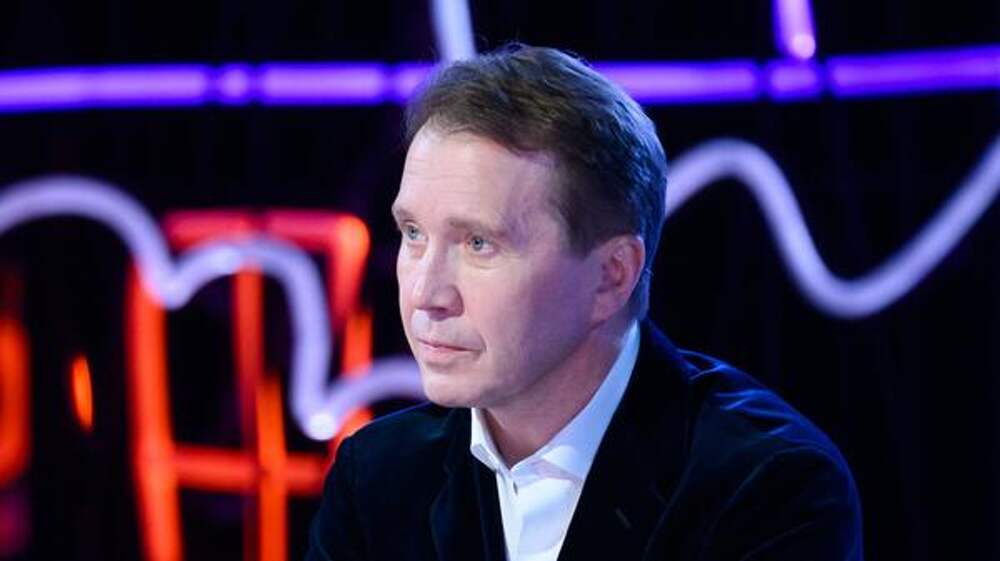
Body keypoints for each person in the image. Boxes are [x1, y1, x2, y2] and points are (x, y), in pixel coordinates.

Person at [305, 44, 863, 561]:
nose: (425, 294)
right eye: (413, 234)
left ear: (611, 277)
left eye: (478, 243)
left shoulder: (768, 487)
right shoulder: (376, 477)